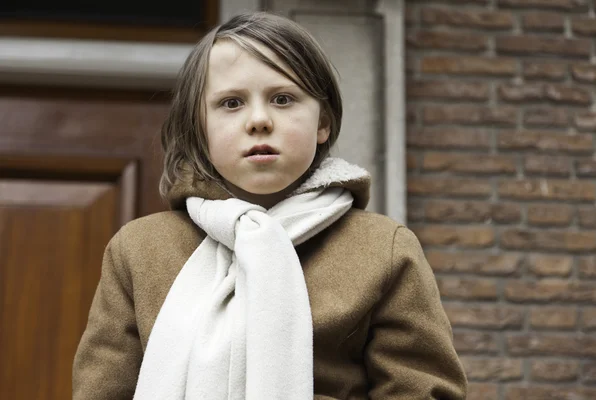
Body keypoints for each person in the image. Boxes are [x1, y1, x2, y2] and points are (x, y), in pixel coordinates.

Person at [72, 11, 467, 400]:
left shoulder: (384, 249)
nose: (259, 120)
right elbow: (101, 390)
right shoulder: (139, 250)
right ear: (199, 127)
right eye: (231, 103)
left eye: (283, 99)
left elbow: (421, 389)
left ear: (322, 123)